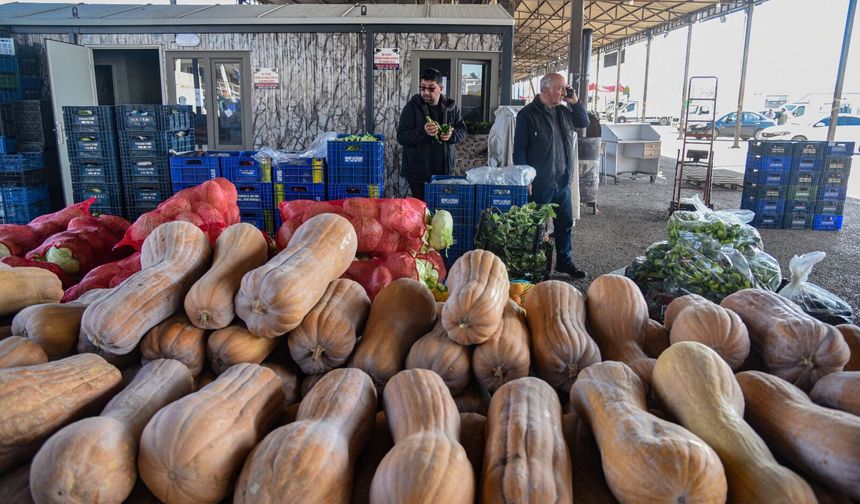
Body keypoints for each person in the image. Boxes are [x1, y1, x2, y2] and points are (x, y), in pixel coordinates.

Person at [513, 72, 590, 279]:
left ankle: (564, 262)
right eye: (561, 88)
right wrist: (525, 178)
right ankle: (533, 266)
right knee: (535, 226)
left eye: (565, 88)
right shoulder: (527, 115)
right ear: (546, 89)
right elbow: (519, 149)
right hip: (540, 183)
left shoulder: (564, 111)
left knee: (565, 225)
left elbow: (584, 122)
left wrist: (575, 102)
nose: (564, 92)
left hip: (562, 181)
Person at [397, 68, 467, 200]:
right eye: (422, 88)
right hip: (417, 173)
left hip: (444, 172)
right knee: (421, 208)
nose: (425, 92)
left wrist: (451, 135)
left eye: (431, 88)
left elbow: (462, 132)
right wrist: (423, 132)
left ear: (441, 88)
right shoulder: (411, 108)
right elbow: (401, 136)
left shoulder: (452, 108)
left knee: (441, 207)